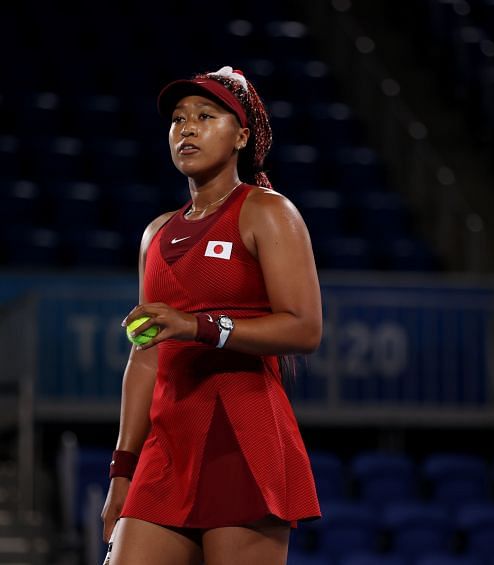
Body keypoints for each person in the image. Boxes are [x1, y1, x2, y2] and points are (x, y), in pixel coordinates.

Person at [100, 66, 322, 565]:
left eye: (206, 115)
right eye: (178, 119)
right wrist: (122, 472)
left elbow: (304, 328)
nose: (188, 128)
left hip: (241, 435)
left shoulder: (267, 210)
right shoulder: (155, 234)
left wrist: (198, 326)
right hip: (168, 445)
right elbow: (146, 360)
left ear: (242, 135)